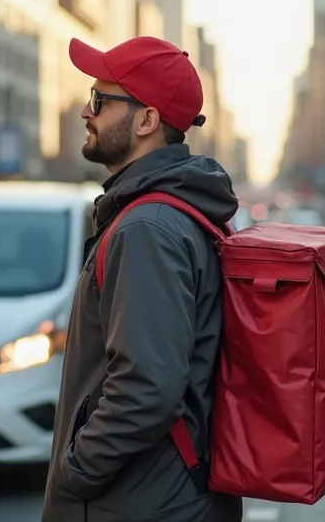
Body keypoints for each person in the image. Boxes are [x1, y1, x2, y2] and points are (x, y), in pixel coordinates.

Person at [41, 36, 243, 522]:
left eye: (99, 101)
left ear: (147, 120)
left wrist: (76, 472)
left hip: (141, 505)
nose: (85, 113)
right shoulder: (170, 212)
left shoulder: (147, 228)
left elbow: (147, 386)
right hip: (165, 496)